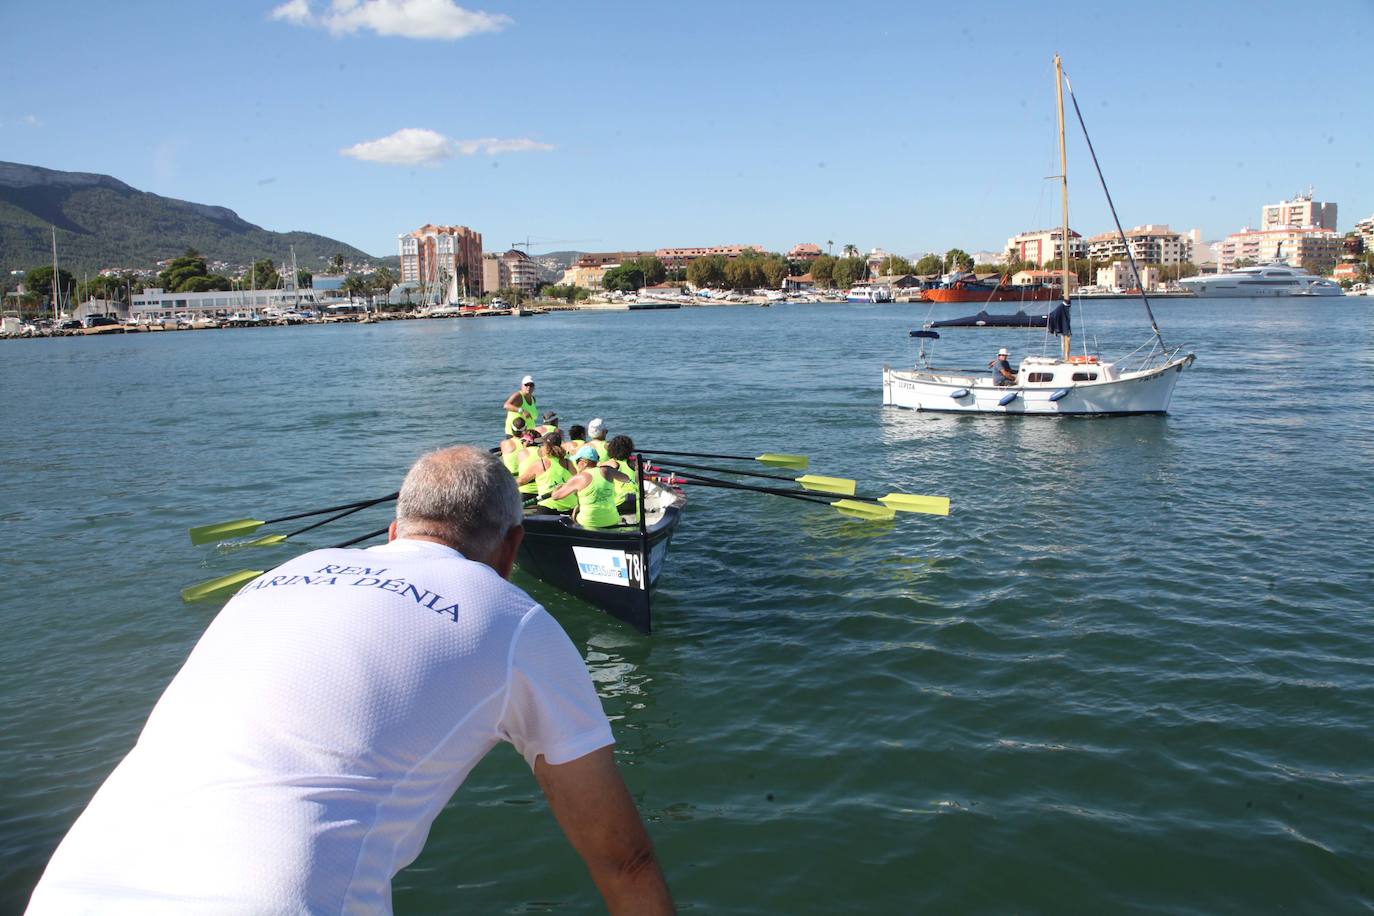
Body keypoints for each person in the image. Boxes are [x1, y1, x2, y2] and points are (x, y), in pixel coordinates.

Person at [26, 446, 673, 915]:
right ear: (511, 551)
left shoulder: (280, 576)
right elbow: (626, 861)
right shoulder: (513, 617)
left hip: (66, 892)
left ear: (393, 533)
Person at [550, 445, 632, 529]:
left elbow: (555, 496)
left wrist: (559, 486)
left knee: (574, 515)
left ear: (584, 462)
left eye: (577, 461)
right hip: (611, 521)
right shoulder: (607, 470)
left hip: (588, 523)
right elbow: (626, 478)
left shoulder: (579, 477)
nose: (576, 464)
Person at [518, 431, 579, 514]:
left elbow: (520, 481)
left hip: (548, 508)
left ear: (546, 447)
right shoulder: (568, 463)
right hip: (570, 508)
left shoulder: (540, 464)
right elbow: (577, 482)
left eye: (542, 445)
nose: (541, 447)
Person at [602, 434, 641, 520]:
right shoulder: (634, 464)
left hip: (620, 502)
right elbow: (639, 483)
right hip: (636, 501)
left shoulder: (610, 463)